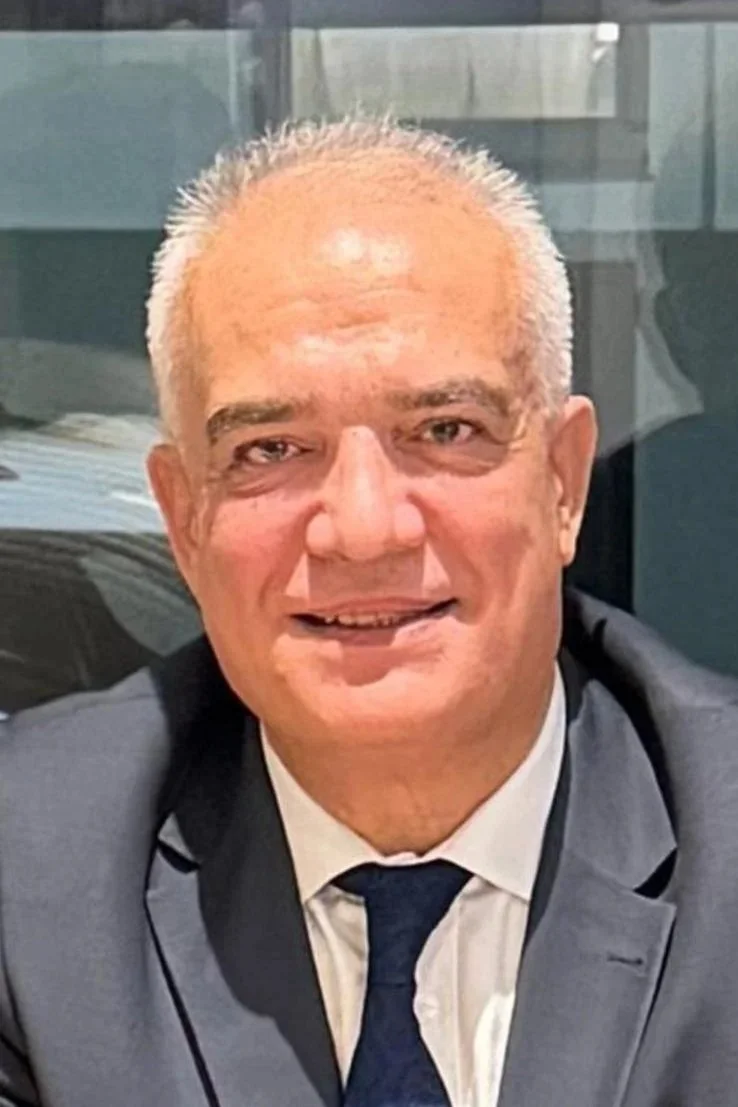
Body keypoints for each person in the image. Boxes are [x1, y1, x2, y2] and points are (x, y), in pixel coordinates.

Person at [0, 115, 737, 1107]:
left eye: (443, 429)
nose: (362, 529)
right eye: (270, 449)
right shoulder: (26, 876)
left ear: (564, 485)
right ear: (182, 518)